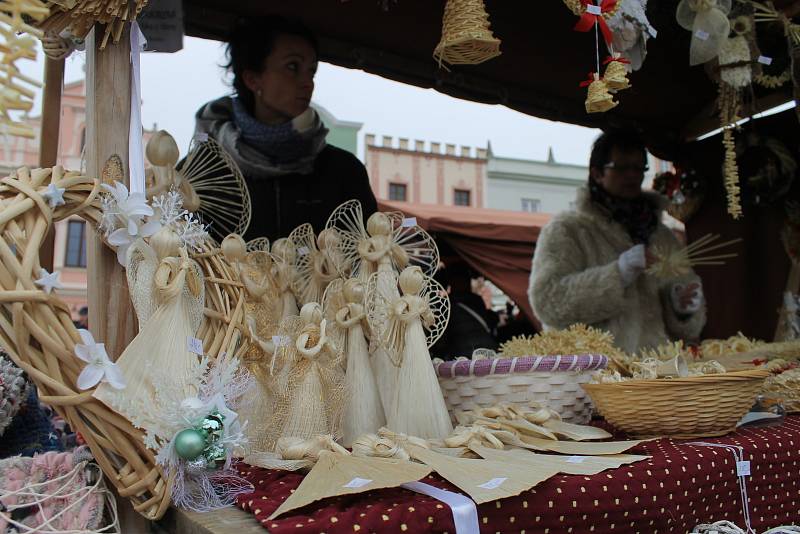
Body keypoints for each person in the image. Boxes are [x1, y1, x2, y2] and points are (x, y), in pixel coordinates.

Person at [194, 16, 378, 242]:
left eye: (311, 71)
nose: (307, 82)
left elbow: (370, 254)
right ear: (253, 79)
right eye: (293, 67)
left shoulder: (344, 171)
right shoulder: (207, 169)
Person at [528, 130, 706, 354]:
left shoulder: (662, 236)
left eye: (639, 168)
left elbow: (688, 324)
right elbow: (547, 302)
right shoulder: (567, 229)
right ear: (597, 173)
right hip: (596, 374)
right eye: (621, 168)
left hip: (660, 373)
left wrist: (681, 307)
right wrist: (617, 275)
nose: (633, 175)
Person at [431, 262, 498, 359]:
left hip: (463, 355)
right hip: (488, 350)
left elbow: (442, 336)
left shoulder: (446, 303)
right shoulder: (477, 300)